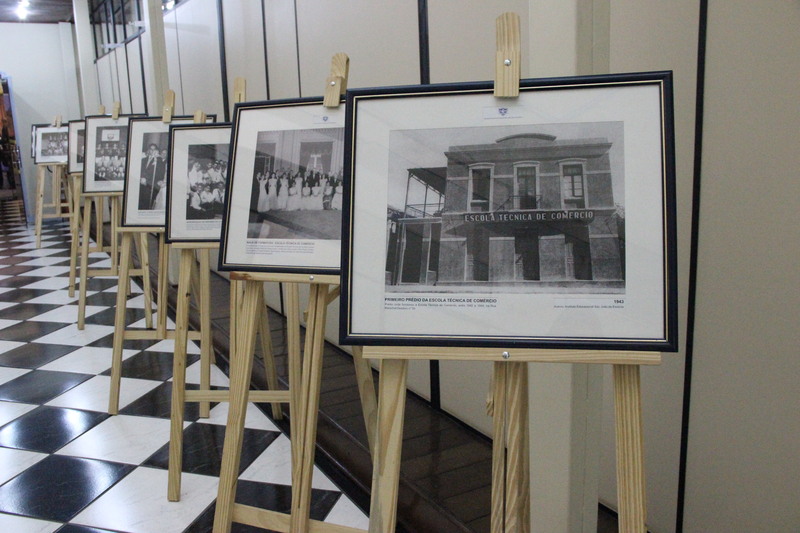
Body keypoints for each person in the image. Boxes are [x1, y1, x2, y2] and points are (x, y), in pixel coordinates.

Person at [139, 143, 165, 209]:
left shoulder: (159, 161)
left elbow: (160, 175)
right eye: (151, 149)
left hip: (150, 185)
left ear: (156, 150)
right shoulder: (143, 160)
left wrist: (146, 180)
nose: (152, 151)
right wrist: (141, 178)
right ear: (148, 150)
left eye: (154, 149)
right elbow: (140, 170)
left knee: (146, 205)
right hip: (140, 184)